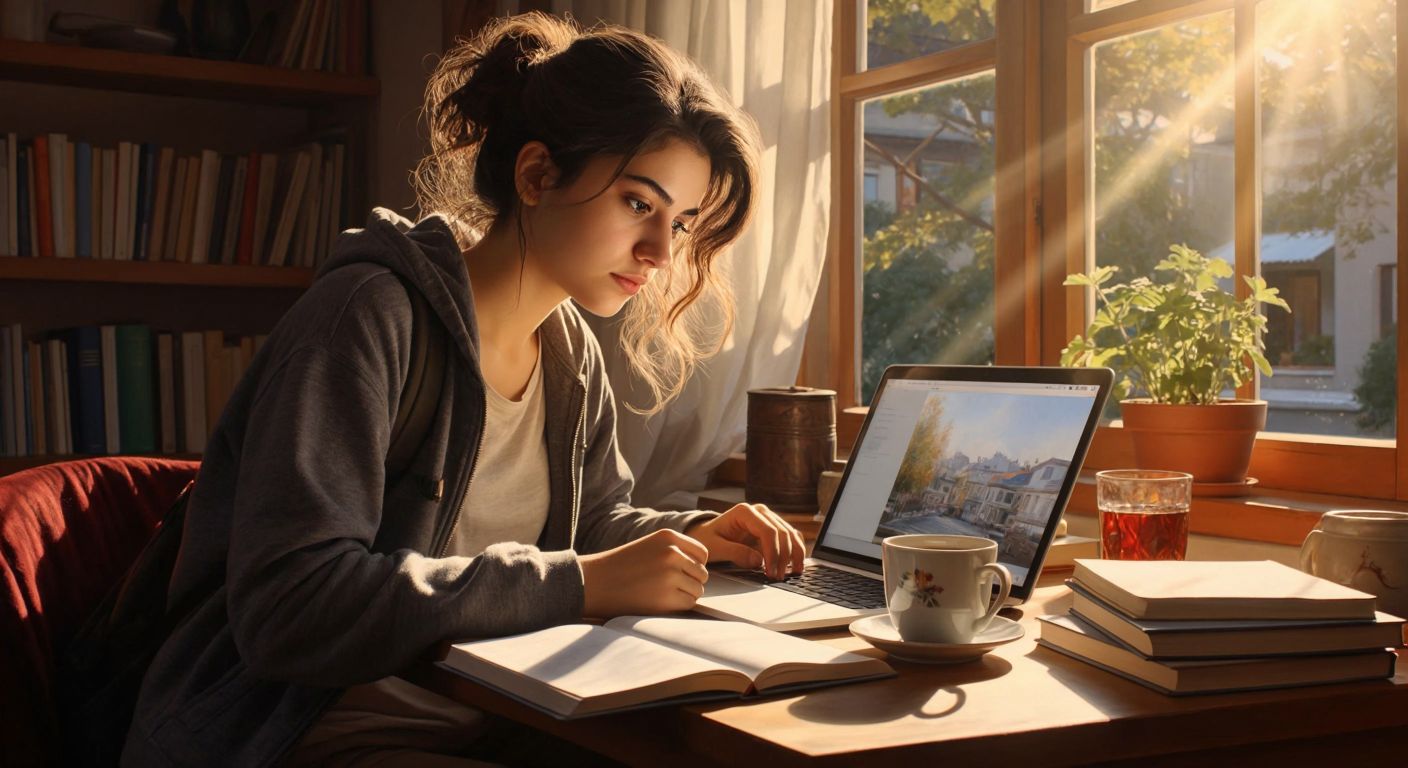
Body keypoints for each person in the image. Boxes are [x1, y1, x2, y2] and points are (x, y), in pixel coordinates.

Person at [121, 12, 806, 768]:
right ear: (538, 175)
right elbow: (293, 607)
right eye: (638, 203)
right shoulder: (367, 319)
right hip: (301, 736)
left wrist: (688, 540)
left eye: (680, 225)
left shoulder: (567, 349)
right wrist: (579, 584)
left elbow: (590, 520)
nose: (658, 251)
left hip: (499, 721)